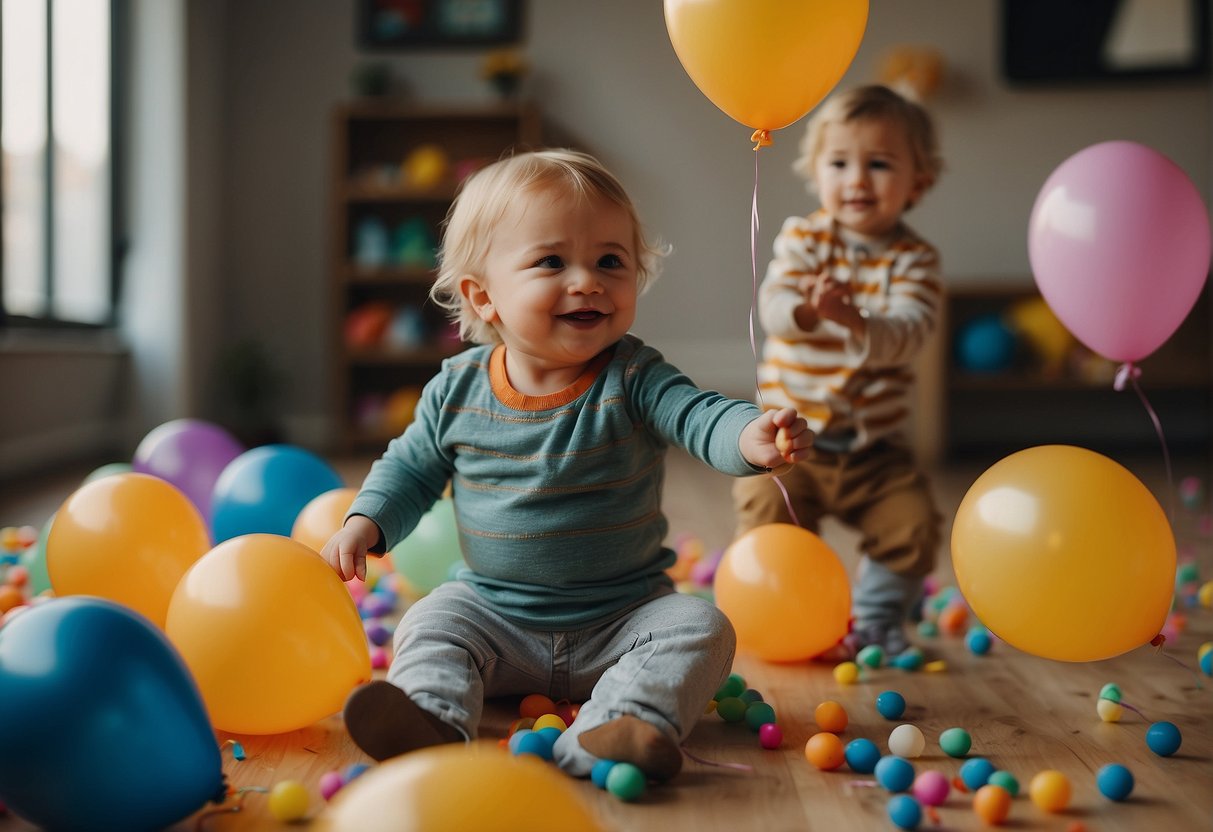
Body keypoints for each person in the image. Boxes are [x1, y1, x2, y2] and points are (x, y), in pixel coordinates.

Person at [322, 149, 811, 782]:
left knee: (702, 626)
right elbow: (411, 467)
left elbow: (698, 414)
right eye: (552, 261)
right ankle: (430, 721)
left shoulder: (634, 375)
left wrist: (749, 437)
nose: (587, 280)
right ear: (484, 295)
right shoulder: (456, 388)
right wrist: (367, 520)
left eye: (611, 260)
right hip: (496, 617)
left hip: (624, 618)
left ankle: (621, 723)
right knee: (430, 622)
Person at [732, 84, 945, 658]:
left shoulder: (915, 261)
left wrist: (852, 317)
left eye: (879, 164)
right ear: (816, 171)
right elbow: (774, 306)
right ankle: (785, 609)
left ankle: (877, 619)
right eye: (840, 162)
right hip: (790, 438)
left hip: (876, 450)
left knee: (913, 523)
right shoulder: (804, 237)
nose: (857, 180)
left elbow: (909, 333)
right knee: (767, 509)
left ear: (917, 181)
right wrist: (808, 309)